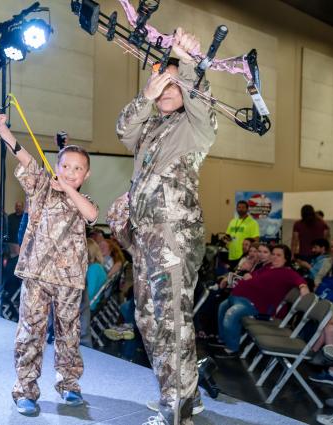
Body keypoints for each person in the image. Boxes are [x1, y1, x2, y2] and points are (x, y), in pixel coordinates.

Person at [112, 27, 217, 425]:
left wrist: (184, 63)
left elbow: (201, 103)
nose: (168, 89)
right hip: (145, 240)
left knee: (172, 322)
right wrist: (147, 95)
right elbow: (123, 129)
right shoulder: (150, 126)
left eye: (175, 85)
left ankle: (178, 412)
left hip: (175, 237)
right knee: (147, 320)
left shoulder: (194, 127)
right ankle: (182, 390)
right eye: (162, 82)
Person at [0, 108, 98, 416]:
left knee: (68, 334)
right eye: (65, 166)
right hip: (36, 275)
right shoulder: (40, 187)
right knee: (30, 332)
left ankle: (69, 385)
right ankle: (25, 390)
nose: (70, 171)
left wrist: (68, 189)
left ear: (85, 175)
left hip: (69, 280)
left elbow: (91, 215)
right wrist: (3, 130)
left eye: (77, 169)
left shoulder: (85, 201)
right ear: (57, 166)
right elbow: (25, 158)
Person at [216, 245, 309, 356]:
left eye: (278, 255)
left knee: (232, 314)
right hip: (242, 298)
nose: (274, 257)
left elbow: (300, 280)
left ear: (286, 258)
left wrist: (303, 287)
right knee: (222, 306)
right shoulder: (268, 267)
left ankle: (232, 349)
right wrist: (248, 275)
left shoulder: (287, 272)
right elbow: (253, 275)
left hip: (258, 307)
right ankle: (224, 339)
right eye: (273, 254)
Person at [225, 200, 260, 268]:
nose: (240, 209)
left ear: (247, 209)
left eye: (243, 207)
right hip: (231, 255)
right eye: (239, 207)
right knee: (231, 275)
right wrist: (226, 239)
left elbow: (256, 240)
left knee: (240, 276)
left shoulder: (253, 223)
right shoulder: (232, 221)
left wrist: (251, 254)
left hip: (244, 256)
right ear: (236, 209)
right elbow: (227, 236)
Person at [86, 238, 108, 309]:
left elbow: (90, 292)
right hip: (94, 302)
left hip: (88, 306)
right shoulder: (97, 266)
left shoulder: (93, 269)